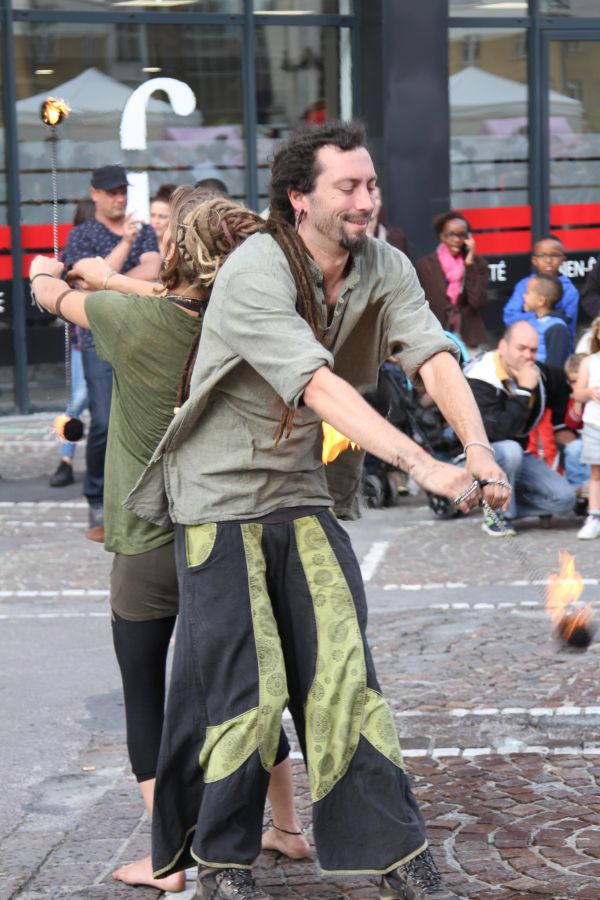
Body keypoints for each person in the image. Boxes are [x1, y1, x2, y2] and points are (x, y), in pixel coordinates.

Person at [125, 120, 510, 900]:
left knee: (343, 675)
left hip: (299, 492)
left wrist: (478, 450)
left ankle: (395, 852)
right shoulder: (256, 269)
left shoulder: (384, 264)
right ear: (300, 198)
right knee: (247, 691)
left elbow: (432, 354)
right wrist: (420, 465)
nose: (367, 200)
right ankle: (223, 864)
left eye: (371, 185)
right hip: (219, 499)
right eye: (349, 186)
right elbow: (320, 387)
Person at [28, 190, 310, 893]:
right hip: (230, 531)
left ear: (178, 252)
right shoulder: (249, 320)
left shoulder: (137, 320)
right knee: (248, 685)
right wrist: (115, 275)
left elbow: (51, 298)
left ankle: (167, 862)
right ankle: (287, 828)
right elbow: (170, 293)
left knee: (144, 692)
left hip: (149, 538)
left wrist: (48, 270)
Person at [63, 164, 161, 541]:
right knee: (103, 420)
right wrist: (123, 250)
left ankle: (135, 500)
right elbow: (85, 289)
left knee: (140, 420)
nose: (119, 197)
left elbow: (153, 269)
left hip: (140, 336)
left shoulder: (146, 231)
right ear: (95, 195)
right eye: (111, 192)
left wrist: (107, 281)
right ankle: (97, 496)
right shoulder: (83, 234)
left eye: (123, 190)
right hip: (96, 340)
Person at [464, 321, 575, 536]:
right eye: (521, 348)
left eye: (533, 350)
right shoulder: (479, 377)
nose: (529, 356)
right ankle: (495, 512)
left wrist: (559, 425)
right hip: (477, 455)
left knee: (564, 499)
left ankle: (502, 505)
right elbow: (497, 432)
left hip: (517, 455)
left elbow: (561, 383)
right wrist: (524, 391)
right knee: (509, 449)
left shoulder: (536, 372)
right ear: (503, 347)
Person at [48, 198, 95, 488]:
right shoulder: (73, 253)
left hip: (103, 337)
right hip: (83, 341)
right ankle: (65, 460)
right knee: (78, 400)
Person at [414, 210, 488, 354]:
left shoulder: (478, 265)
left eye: (462, 235)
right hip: (435, 336)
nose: (456, 239)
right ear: (441, 236)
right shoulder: (424, 265)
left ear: (468, 237)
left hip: (469, 338)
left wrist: (469, 264)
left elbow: (477, 302)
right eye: (450, 234)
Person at [522, 274, 569, 468]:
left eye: (527, 292)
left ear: (541, 301)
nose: (523, 296)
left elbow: (555, 371)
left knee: (543, 443)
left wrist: (541, 391)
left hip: (543, 398)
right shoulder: (531, 324)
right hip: (528, 390)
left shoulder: (557, 328)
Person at [503, 235, 579, 352]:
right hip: (524, 349)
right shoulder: (524, 285)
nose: (548, 260)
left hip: (556, 352)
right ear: (534, 260)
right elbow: (510, 318)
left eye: (554, 255)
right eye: (542, 255)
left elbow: (565, 324)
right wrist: (538, 316)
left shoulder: (570, 291)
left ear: (563, 260)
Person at [572, 316, 600, 539]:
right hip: (594, 425)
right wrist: (590, 393)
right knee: (596, 475)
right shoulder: (589, 362)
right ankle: (594, 515)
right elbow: (577, 393)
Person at [559, 353, 590, 500]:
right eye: (572, 382)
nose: (577, 386)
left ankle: (589, 488)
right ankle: (580, 489)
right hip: (586, 442)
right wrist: (578, 401)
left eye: (581, 381)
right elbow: (572, 423)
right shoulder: (574, 401)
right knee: (573, 448)